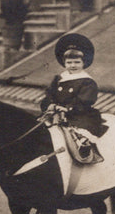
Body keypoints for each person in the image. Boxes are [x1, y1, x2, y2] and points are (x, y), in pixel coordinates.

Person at [39, 33, 105, 162]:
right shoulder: (59, 79)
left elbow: (85, 101)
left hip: (78, 113)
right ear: (64, 63)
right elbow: (49, 94)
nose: (73, 65)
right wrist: (50, 104)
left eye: (77, 62)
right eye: (69, 62)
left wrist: (67, 109)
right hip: (56, 113)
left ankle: (84, 150)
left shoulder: (87, 81)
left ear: (83, 63)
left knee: (79, 132)